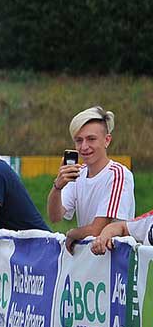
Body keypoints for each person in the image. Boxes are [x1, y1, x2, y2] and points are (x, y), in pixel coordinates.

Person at [50, 106, 135, 253]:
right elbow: (55, 217)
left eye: (91, 139)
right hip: (88, 258)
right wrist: (57, 187)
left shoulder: (118, 174)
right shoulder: (78, 173)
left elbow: (98, 229)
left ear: (107, 140)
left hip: (113, 260)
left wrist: (72, 233)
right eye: (79, 140)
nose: (84, 147)